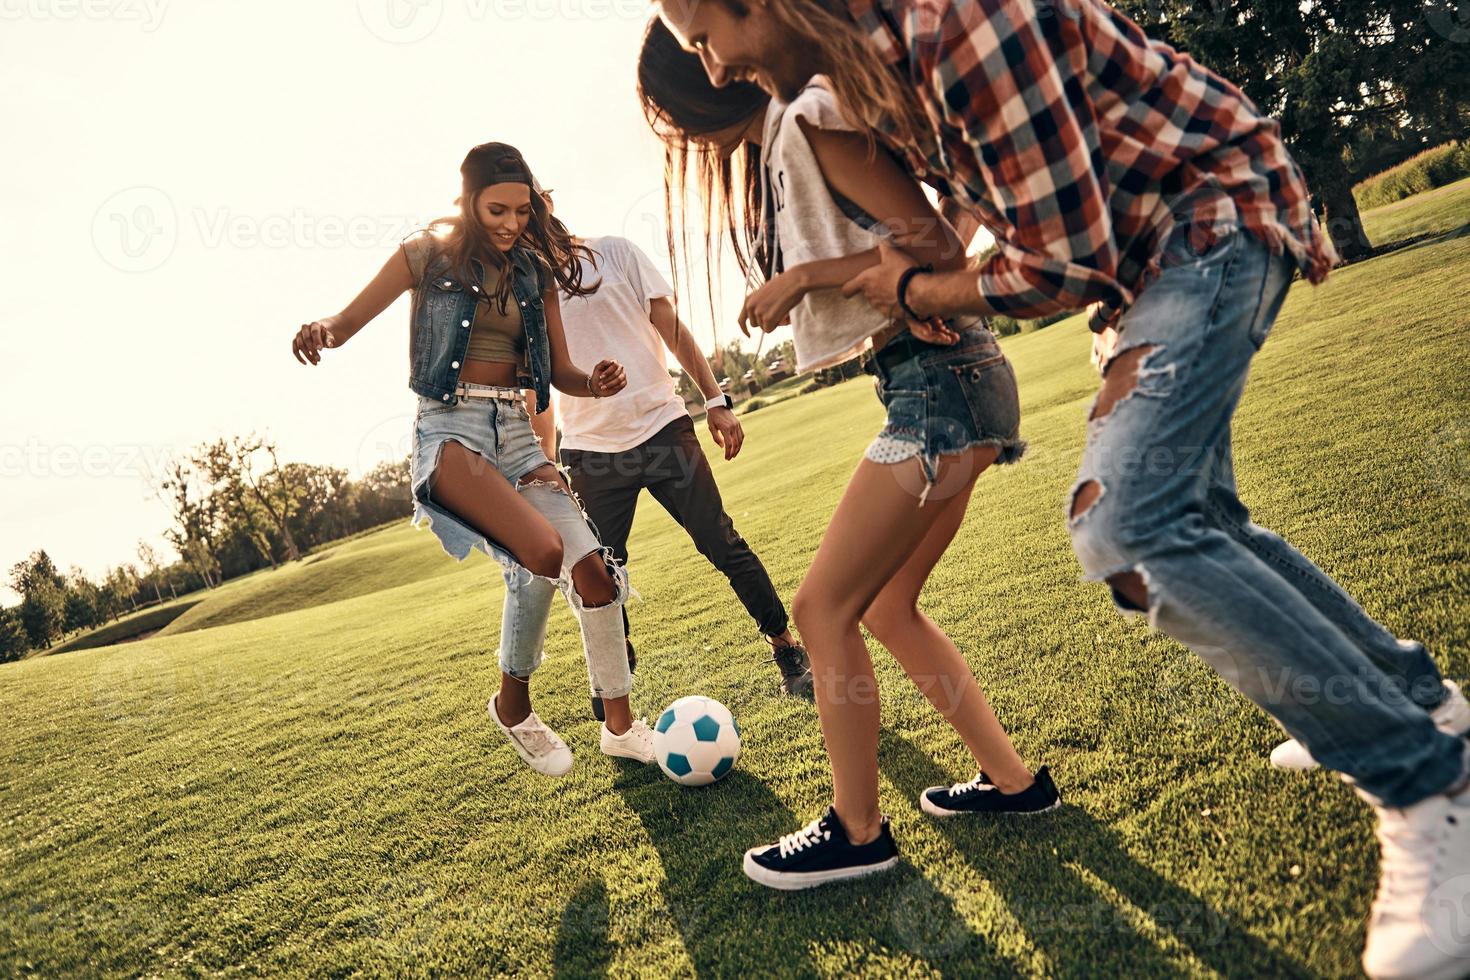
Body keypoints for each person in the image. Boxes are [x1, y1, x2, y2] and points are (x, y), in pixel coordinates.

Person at [653, 0, 1470, 972]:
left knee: (1126, 523)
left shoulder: (955, 29)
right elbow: (991, 226)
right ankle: (1410, 698)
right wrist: (904, 269)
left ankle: (1423, 779)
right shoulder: (886, 69)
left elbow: (1052, 260)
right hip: (1148, 262)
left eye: (706, 36)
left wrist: (909, 291)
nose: (715, 64)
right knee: (1195, 514)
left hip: (1208, 223)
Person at [640, 19, 1059, 892]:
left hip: (939, 385)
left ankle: (858, 833)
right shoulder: (795, 130)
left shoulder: (808, 115)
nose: (680, 135)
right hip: (951, 378)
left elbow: (939, 243)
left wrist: (804, 279)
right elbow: (932, 228)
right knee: (889, 607)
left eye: (672, 113)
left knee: (821, 609)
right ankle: (1014, 785)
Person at [290, 142, 659, 777]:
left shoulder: (533, 275)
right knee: (541, 554)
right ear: (468, 202)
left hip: (516, 432)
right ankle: (513, 707)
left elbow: (560, 372)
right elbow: (346, 321)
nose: (512, 224)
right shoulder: (424, 257)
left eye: (521, 210)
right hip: (450, 432)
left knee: (595, 575)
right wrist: (320, 330)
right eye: (497, 210)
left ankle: (621, 729)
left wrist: (593, 382)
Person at [528, 187, 815, 721]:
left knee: (720, 541)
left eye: (527, 212)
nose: (523, 230)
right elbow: (539, 386)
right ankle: (616, 675)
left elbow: (673, 329)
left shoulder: (617, 252)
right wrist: (547, 458)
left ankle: (786, 648)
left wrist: (715, 400)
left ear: (544, 203)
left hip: (662, 429)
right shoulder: (526, 295)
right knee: (598, 574)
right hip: (592, 453)